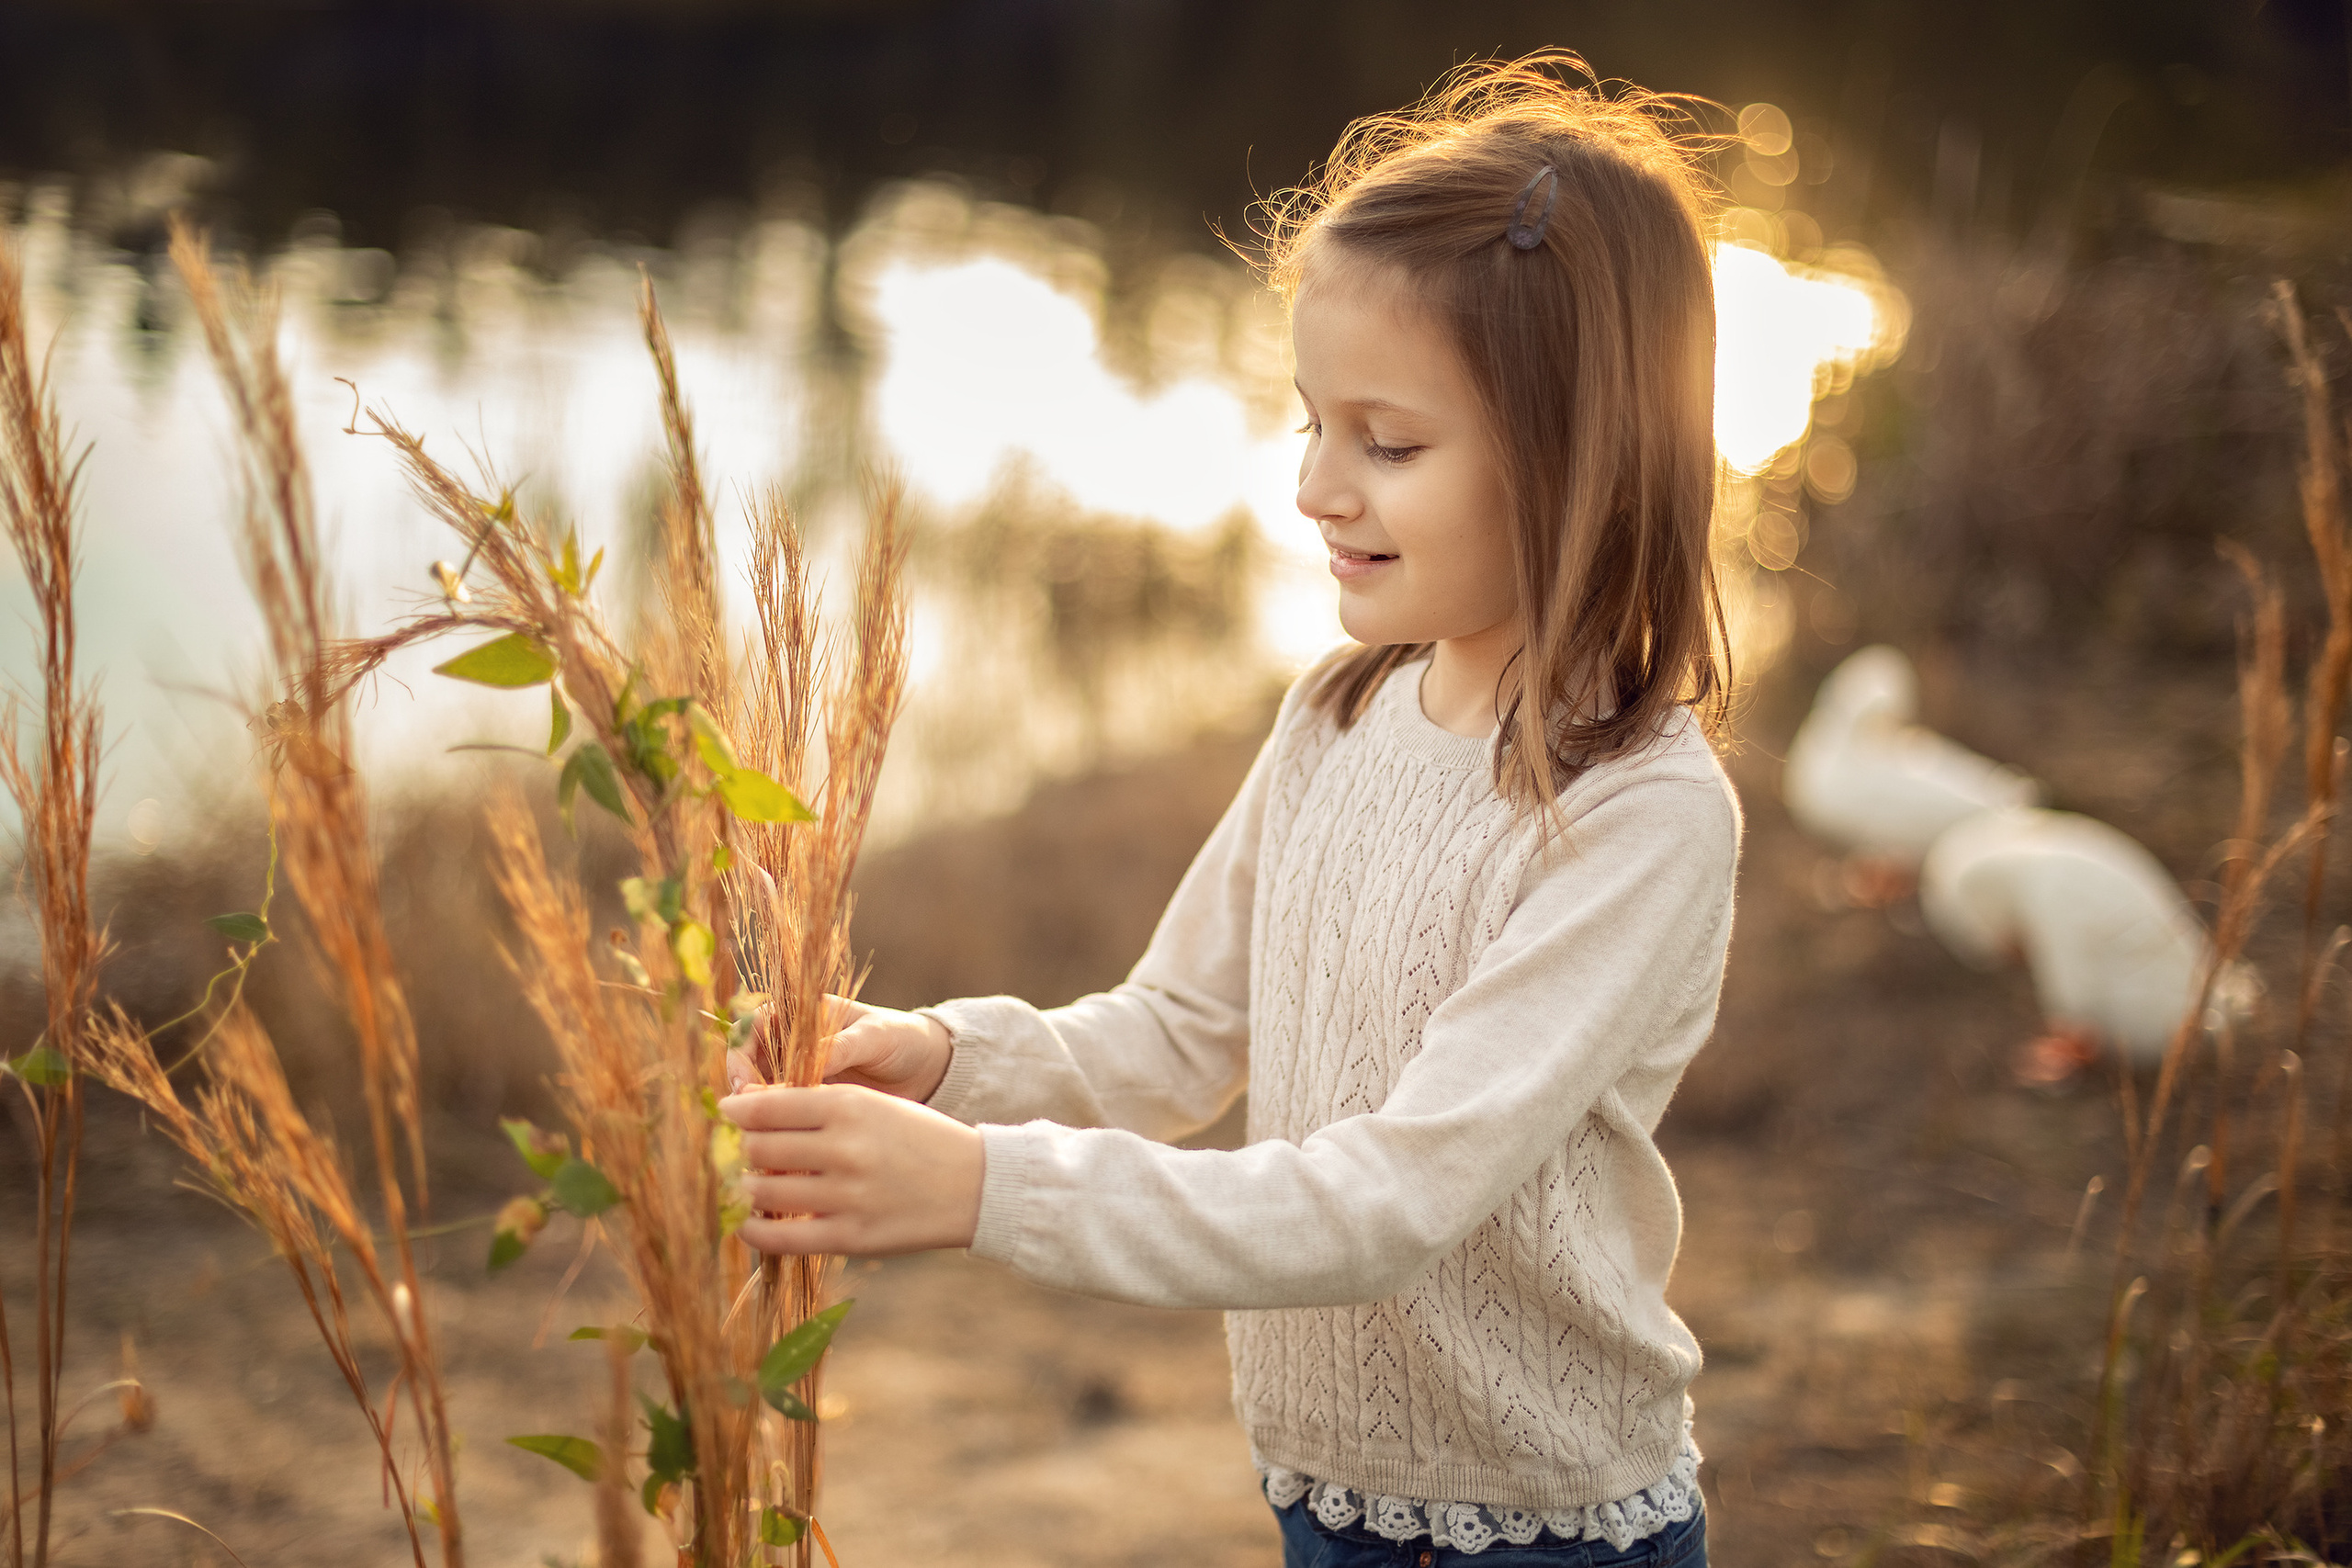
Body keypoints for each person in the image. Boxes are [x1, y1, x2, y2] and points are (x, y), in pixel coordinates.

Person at [722, 52, 1739, 1568]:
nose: (1319, 486)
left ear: (1580, 457)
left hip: (1548, 1530)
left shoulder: (1639, 817)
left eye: (1389, 443)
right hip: (1320, 1493)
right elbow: (1173, 1038)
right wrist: (945, 1069)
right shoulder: (1336, 718)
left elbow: (1392, 1199)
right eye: (1308, 424)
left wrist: (985, 1192)